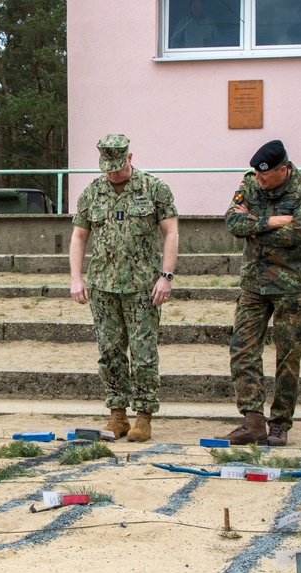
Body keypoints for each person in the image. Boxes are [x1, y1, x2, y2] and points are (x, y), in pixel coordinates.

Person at [69, 134, 179, 442]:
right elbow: (79, 237)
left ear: (129, 158)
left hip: (143, 286)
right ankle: (117, 414)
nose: (113, 173)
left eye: (118, 166)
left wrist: (166, 276)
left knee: (143, 353)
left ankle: (143, 416)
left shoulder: (155, 189)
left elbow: (170, 232)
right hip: (103, 286)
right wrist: (76, 278)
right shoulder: (92, 193)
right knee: (110, 352)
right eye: (108, 167)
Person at [221, 140, 301, 448]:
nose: (259, 179)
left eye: (266, 174)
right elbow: (232, 221)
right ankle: (253, 420)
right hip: (254, 284)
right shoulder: (250, 182)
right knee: (242, 350)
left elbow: (299, 232)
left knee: (288, 356)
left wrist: (255, 227)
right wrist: (272, 220)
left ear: (283, 169)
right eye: (257, 173)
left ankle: (279, 423)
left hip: (291, 285)